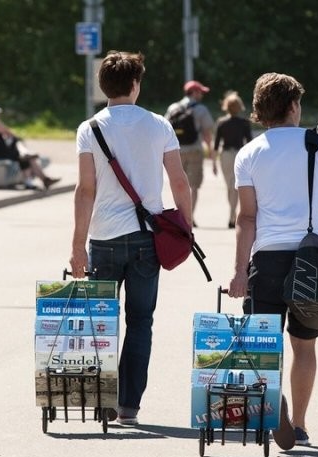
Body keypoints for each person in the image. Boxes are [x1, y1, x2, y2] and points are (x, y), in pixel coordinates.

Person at [227, 73, 318, 448]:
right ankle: (298, 423)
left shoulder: (248, 153)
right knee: (304, 345)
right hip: (310, 261)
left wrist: (239, 272)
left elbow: (246, 218)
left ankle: (272, 401)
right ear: (294, 106)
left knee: (262, 345)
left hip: (266, 260)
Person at [69, 51, 192, 426]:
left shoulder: (89, 128)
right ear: (135, 84)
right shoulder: (159, 125)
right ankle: (128, 408)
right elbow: (179, 181)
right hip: (145, 240)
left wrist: (77, 247)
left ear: (104, 87)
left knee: (102, 321)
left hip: (103, 239)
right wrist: (185, 227)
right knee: (141, 322)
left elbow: (84, 190)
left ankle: (102, 397)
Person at [0, 102, 60, 190]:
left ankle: (39, 177)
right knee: (19, 146)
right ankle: (33, 179)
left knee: (21, 153)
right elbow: (9, 133)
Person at [165, 80, 215, 227]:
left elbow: (166, 130)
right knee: (193, 185)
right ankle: (189, 217)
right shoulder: (201, 109)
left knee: (178, 183)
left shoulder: (173, 107)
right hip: (195, 150)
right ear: (194, 93)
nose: (202, 95)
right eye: (200, 92)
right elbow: (207, 133)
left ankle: (179, 216)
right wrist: (211, 154)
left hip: (176, 152)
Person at [213, 91, 252, 229]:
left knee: (230, 186)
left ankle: (232, 214)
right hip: (241, 155)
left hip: (226, 156)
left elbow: (216, 144)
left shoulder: (221, 122)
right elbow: (250, 142)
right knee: (237, 186)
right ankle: (232, 214)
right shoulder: (244, 122)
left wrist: (213, 163)